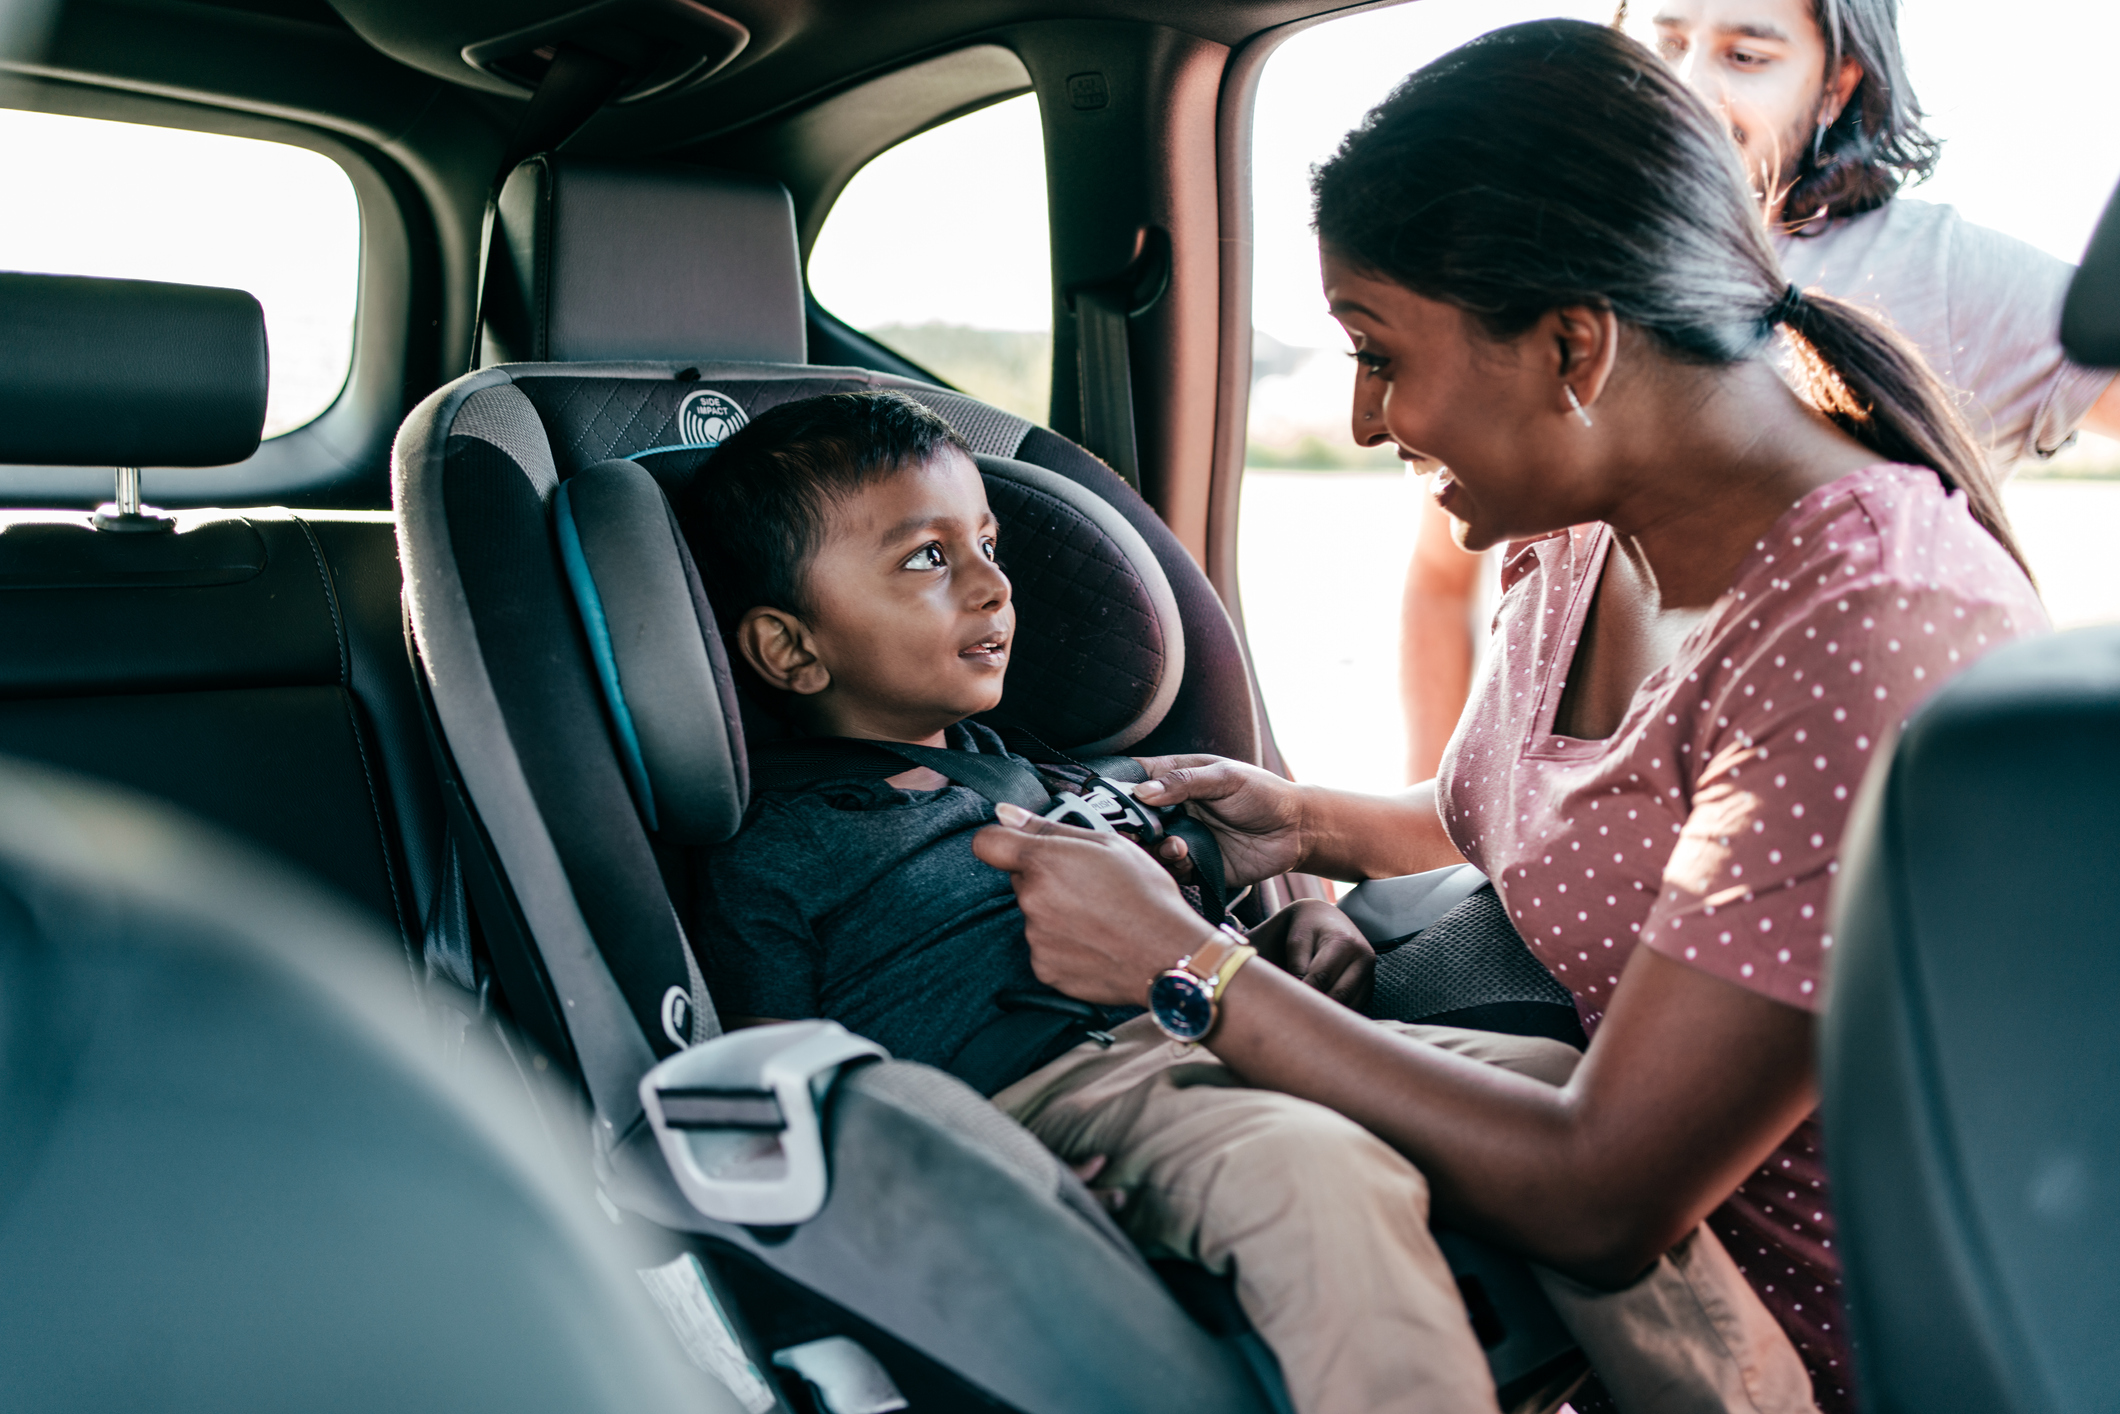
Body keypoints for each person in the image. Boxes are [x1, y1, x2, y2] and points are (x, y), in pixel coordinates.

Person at [971, 20, 2046, 1414]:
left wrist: (1188, 971)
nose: (1364, 419)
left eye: (1378, 350)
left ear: (1571, 348)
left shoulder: (1863, 630)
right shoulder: (1581, 534)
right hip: (1596, 1319)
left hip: (1850, 1357)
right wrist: (1303, 821)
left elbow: (1606, 1192)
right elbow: (1577, 819)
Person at [678, 389, 1589, 1414]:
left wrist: (1298, 926)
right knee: (1312, 1170)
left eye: (986, 541)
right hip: (1037, 1111)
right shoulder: (776, 854)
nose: (990, 585)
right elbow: (789, 1107)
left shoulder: (1056, 779)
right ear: (791, 649)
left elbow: (1197, 941)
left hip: (1211, 1042)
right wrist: (997, 1193)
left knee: (1547, 1086)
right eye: (927, 558)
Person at [1396, 0, 2119, 784]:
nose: (1686, 87)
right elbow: (1442, 579)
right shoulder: (1559, 260)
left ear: (1837, 86)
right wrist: (1432, 848)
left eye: (1746, 57)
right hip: (1588, 862)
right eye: (1666, 42)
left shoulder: (1951, 276)